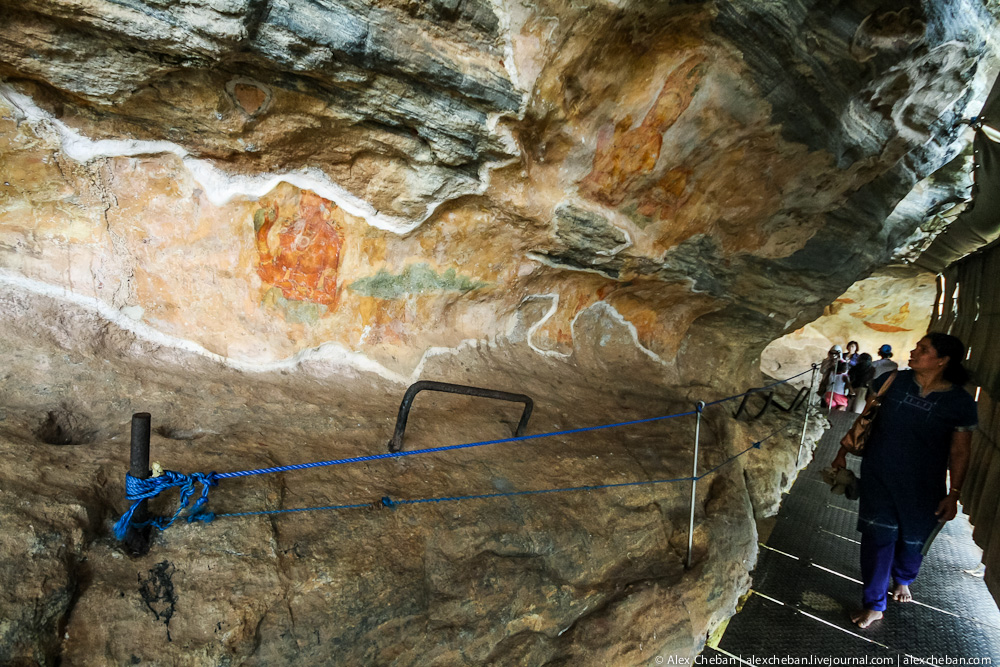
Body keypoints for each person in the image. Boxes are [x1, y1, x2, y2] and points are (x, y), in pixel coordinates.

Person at [830, 333, 978, 629]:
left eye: (923, 349)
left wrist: (955, 493)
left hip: (923, 486)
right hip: (880, 474)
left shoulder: (959, 401)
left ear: (942, 360)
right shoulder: (895, 380)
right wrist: (842, 451)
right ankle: (874, 604)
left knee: (912, 541)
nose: (913, 351)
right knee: (878, 537)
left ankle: (904, 579)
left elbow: (960, 450)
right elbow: (866, 418)